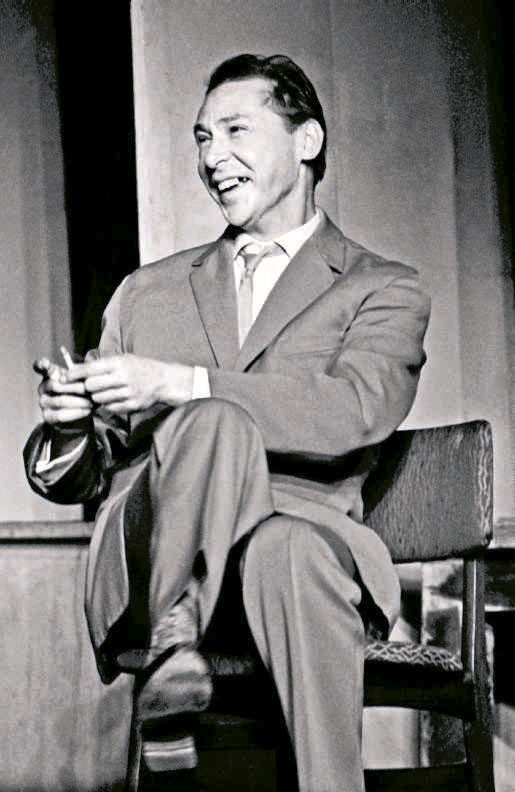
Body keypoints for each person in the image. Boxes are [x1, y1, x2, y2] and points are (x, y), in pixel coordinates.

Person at [24, 53, 430, 792]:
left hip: (298, 555)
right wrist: (70, 425)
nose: (212, 157)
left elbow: (354, 409)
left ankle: (189, 671)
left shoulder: (382, 289)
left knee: (290, 550)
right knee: (210, 421)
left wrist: (183, 383)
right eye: (202, 138)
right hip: (152, 558)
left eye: (235, 130)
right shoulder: (145, 293)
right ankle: (173, 625)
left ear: (307, 140)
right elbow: (81, 473)